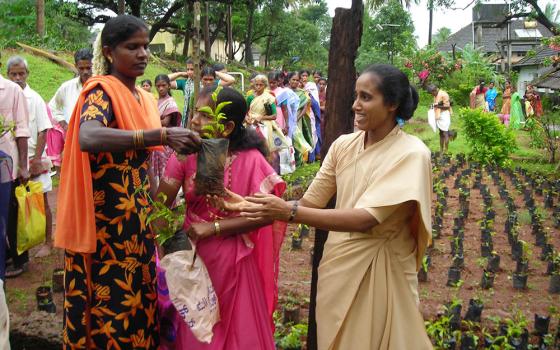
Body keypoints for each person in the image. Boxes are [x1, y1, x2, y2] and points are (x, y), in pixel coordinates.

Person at [225, 64, 433, 350]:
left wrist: (287, 212)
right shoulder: (342, 146)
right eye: (356, 96)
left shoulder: (412, 154)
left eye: (366, 97)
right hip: (338, 269)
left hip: (384, 270)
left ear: (392, 104)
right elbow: (309, 202)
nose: (355, 105)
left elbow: (366, 219)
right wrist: (249, 204)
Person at [54, 15, 201, 348]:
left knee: (139, 298)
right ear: (109, 52)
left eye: (145, 46)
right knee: (109, 302)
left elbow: (146, 164)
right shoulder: (101, 92)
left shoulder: (144, 99)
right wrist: (160, 134)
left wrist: (159, 217)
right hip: (105, 223)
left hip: (136, 219)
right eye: (131, 47)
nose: (142, 54)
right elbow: (88, 136)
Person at [156, 86, 286, 349]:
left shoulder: (252, 160)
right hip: (192, 258)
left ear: (226, 128)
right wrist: (172, 255)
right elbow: (159, 208)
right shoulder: (186, 155)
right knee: (198, 326)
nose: (193, 121)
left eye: (204, 116)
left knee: (234, 330)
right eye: (195, 113)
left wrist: (214, 228)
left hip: (234, 261)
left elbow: (266, 215)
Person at [7, 56, 54, 260]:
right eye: (13, 74)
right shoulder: (7, 96)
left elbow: (44, 131)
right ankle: (21, 244)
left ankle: (48, 242)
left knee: (41, 200)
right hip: (12, 160)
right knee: (16, 204)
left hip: (34, 158)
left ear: (28, 74)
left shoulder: (34, 98)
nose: (17, 78)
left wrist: (35, 160)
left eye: (21, 73)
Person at [1, 55, 31, 279]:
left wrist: (23, 166)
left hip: (7, 165)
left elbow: (21, 130)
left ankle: (19, 260)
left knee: (10, 214)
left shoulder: (12, 90)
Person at [49, 48, 93, 132]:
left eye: (88, 68)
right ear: (76, 66)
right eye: (81, 68)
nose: (85, 72)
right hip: (72, 136)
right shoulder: (67, 87)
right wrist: (64, 124)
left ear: (93, 65)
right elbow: (52, 106)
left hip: (95, 138)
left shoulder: (101, 86)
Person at [151, 74, 182, 184]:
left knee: (165, 172)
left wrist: (151, 119)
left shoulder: (170, 102)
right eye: (158, 86)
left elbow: (165, 122)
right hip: (156, 140)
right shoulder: (155, 101)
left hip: (166, 142)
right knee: (155, 174)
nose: (161, 88)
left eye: (163, 85)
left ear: (169, 86)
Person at [169, 58, 195, 127]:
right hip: (186, 120)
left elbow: (227, 80)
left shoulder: (206, 81)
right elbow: (164, 80)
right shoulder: (185, 83)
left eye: (192, 69)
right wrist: (180, 74)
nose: (189, 72)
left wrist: (214, 72)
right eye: (188, 69)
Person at [427, 84, 452, 154]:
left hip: (444, 115)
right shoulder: (436, 95)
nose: (432, 95)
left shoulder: (444, 94)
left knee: (445, 133)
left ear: (434, 90)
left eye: (431, 93)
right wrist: (433, 106)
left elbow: (447, 107)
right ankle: (441, 150)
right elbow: (437, 104)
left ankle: (446, 151)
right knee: (441, 133)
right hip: (439, 115)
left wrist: (437, 105)